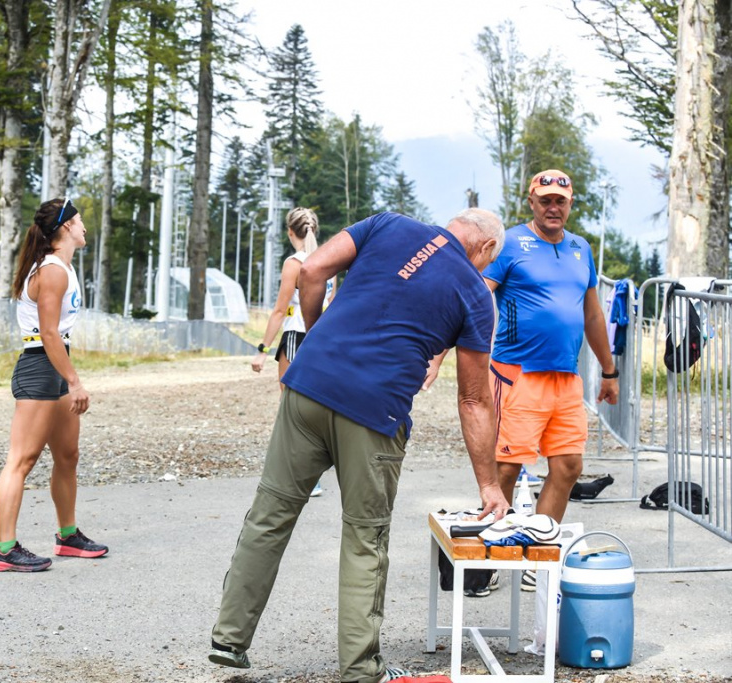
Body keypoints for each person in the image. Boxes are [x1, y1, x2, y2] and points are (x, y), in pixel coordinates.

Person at [209, 208, 510, 683]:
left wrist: (315, 334)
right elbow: (473, 399)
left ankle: (229, 639)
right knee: (364, 538)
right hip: (374, 411)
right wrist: (489, 485)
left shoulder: (390, 224)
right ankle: (361, 671)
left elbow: (311, 271)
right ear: (487, 248)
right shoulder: (474, 293)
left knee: (269, 515)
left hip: (307, 388)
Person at [427, 170, 619, 591]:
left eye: (560, 201)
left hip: (566, 379)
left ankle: (536, 560)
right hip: (516, 375)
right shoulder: (511, 242)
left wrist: (609, 370)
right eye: (545, 200)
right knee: (506, 469)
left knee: (568, 466)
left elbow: (592, 315)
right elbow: (472, 296)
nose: (553, 207)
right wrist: (437, 353)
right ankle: (485, 563)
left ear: (570, 205)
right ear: (532, 202)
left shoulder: (580, 249)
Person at [0, 198, 108, 572]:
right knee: (21, 461)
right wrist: (74, 381)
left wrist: (68, 376)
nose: (85, 226)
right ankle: (5, 549)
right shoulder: (53, 271)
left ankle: (67, 535)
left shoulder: (63, 268)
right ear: (66, 227)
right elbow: (49, 333)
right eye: (79, 220)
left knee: (67, 455)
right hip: (40, 366)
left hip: (54, 364)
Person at [250, 207, 329, 496]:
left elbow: (280, 311)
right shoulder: (330, 259)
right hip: (323, 340)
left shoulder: (294, 263)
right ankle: (313, 476)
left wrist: (262, 350)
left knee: (291, 410)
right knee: (314, 409)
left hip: (296, 336)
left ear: (290, 232)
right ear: (314, 230)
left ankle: (303, 479)